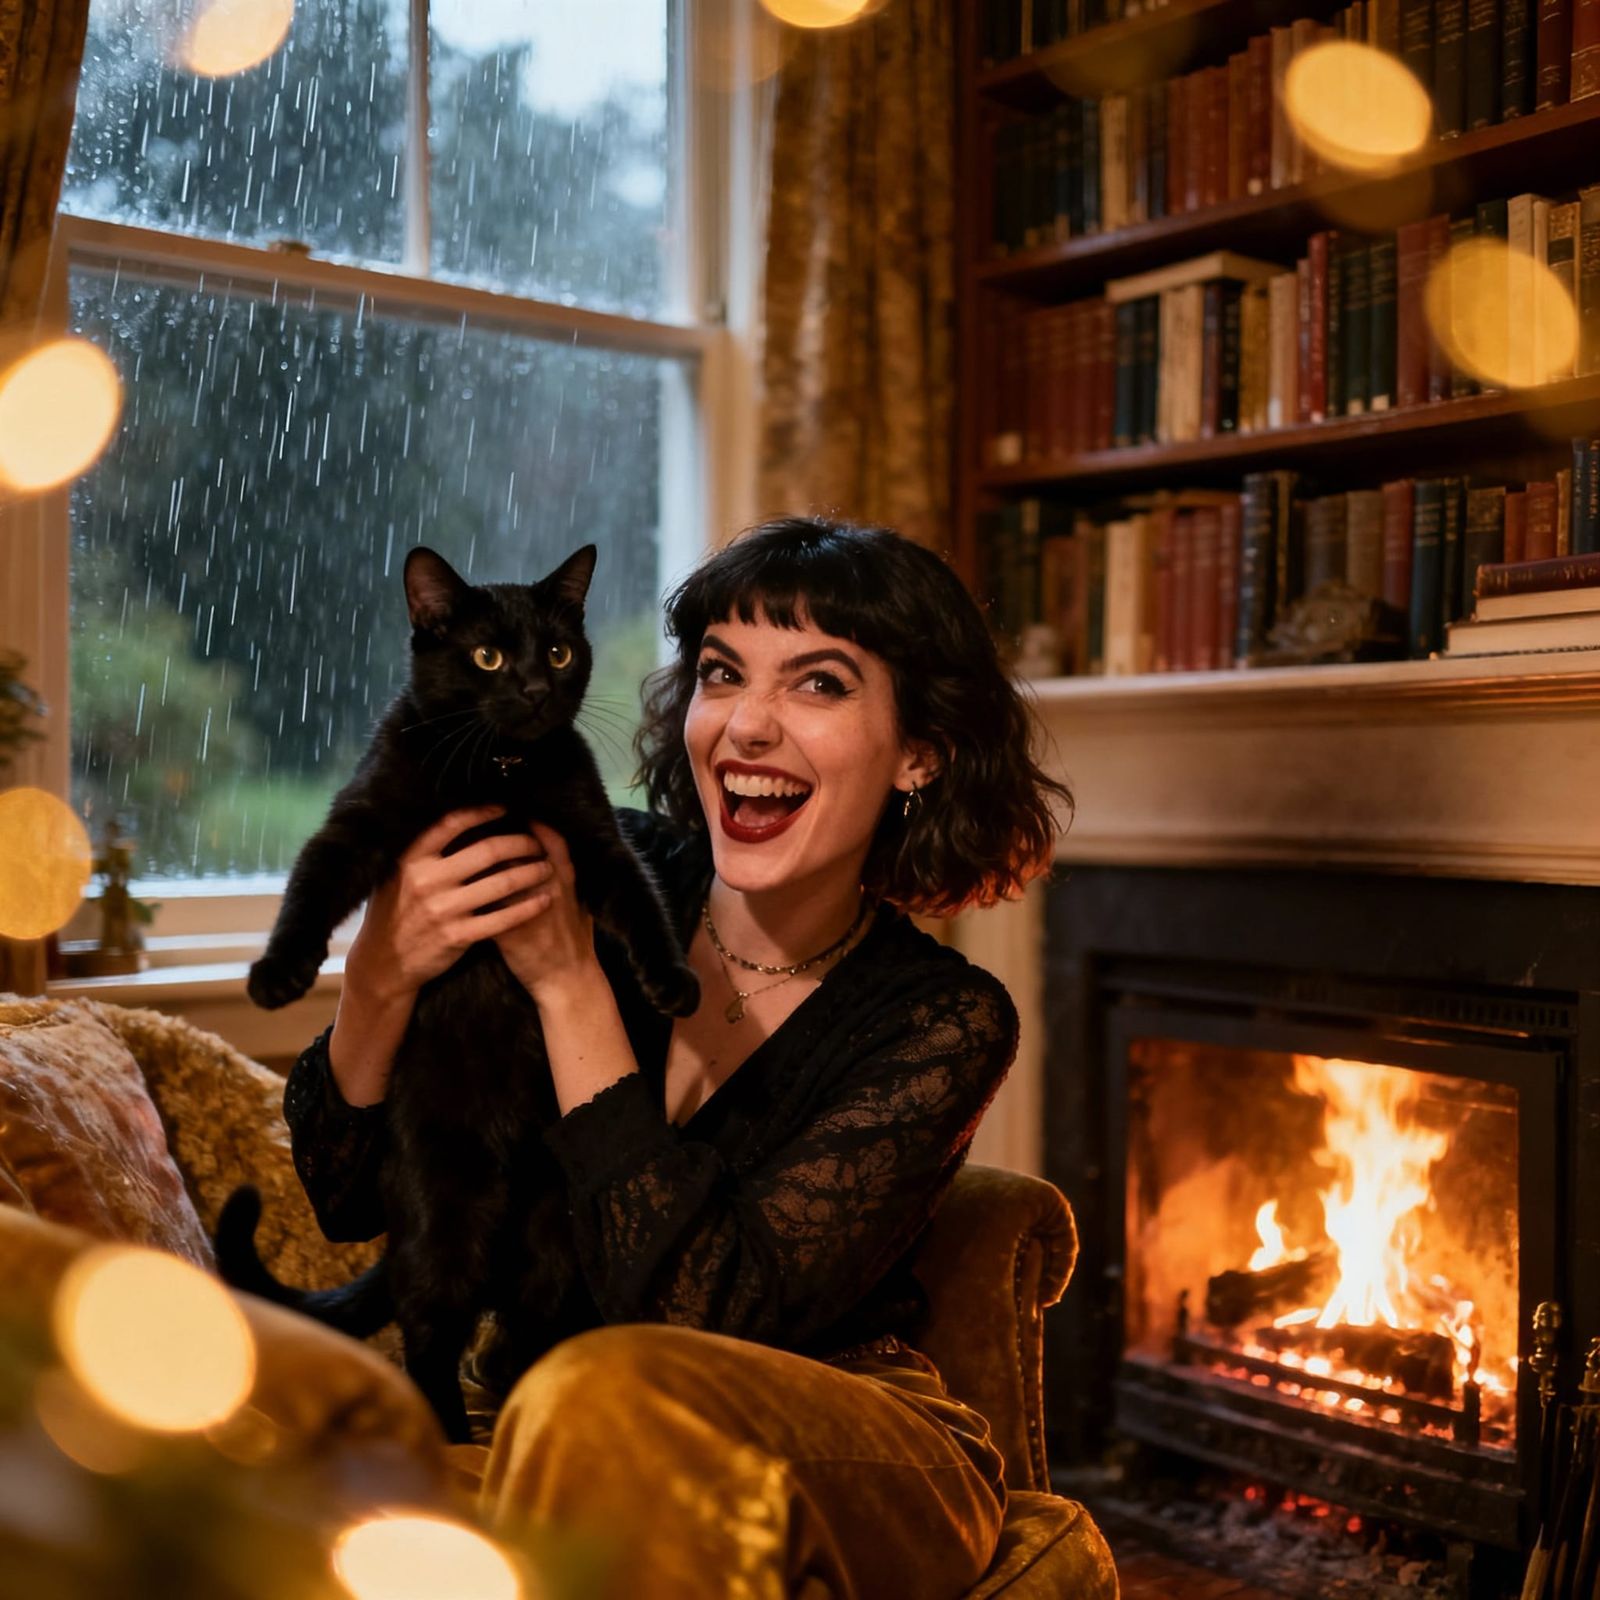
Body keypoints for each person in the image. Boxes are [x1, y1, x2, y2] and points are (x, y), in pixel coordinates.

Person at [281, 515, 1075, 1598]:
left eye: (820, 684)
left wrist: (569, 987)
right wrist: (377, 975)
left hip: (848, 1431)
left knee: (604, 1393)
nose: (745, 725)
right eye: (719, 674)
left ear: (920, 752)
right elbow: (343, 1195)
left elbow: (700, 1319)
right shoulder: (597, 860)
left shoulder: (941, 1017)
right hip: (554, 1412)